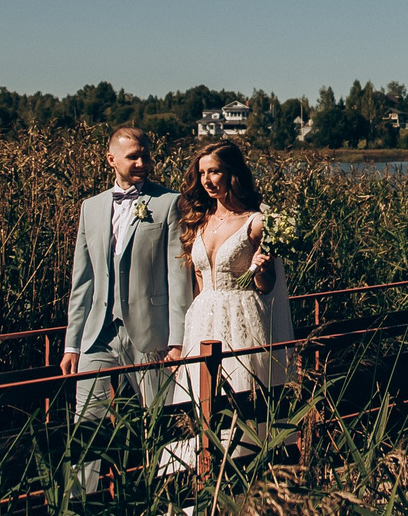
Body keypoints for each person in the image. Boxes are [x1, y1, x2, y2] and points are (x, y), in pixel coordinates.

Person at [61, 126, 192, 417]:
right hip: (98, 336)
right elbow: (82, 282)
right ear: (111, 159)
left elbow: (178, 275)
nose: (142, 164)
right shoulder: (90, 208)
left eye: (146, 156)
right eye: (134, 157)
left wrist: (177, 341)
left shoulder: (169, 202)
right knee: (87, 423)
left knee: (159, 420)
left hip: (150, 334)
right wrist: (73, 345)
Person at [175, 140, 297, 432]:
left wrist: (261, 269)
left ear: (232, 174)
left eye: (214, 172)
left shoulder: (255, 222)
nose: (206, 180)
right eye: (202, 173)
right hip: (202, 319)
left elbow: (267, 287)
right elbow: (200, 283)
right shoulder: (199, 221)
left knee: (242, 392)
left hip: (241, 316)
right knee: (201, 397)